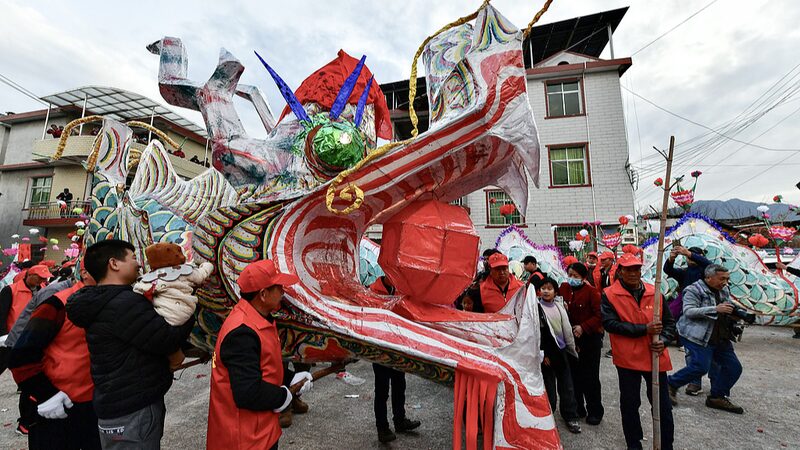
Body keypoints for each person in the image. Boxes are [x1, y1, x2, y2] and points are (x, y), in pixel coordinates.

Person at [66, 239, 194, 448]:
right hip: (134, 408)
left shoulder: (99, 301)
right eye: (133, 258)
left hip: (115, 403)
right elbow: (166, 338)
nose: (139, 264)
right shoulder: (123, 303)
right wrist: (187, 306)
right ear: (114, 264)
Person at [207, 259, 313, 450]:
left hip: (262, 430)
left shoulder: (258, 317)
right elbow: (247, 392)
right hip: (244, 438)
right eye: (278, 287)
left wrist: (290, 377)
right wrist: (283, 396)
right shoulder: (241, 333)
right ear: (263, 294)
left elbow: (262, 365)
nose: (282, 291)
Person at [8, 261, 100, 449]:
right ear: (85, 273)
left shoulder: (111, 300)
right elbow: (21, 355)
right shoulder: (57, 300)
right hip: (59, 405)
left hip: (94, 405)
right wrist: (47, 395)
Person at [601, 253, 675, 450]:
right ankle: (634, 444)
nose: (633, 273)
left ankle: (666, 445)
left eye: (637, 269)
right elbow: (610, 324)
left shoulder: (655, 291)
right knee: (630, 404)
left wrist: (665, 340)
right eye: (628, 269)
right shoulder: (609, 294)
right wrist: (644, 329)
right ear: (620, 271)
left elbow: (669, 323)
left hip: (655, 357)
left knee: (663, 407)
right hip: (628, 359)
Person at [667, 265, 753, 414]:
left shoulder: (724, 289)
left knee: (734, 368)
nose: (725, 282)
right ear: (708, 278)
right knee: (700, 366)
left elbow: (728, 304)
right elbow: (688, 311)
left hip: (720, 336)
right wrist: (715, 309)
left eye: (727, 278)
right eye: (722, 279)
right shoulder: (693, 290)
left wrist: (740, 313)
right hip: (696, 336)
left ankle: (717, 397)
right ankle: (671, 384)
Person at [368, 275, 421, 443]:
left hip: (398, 346)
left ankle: (399, 420)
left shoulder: (402, 290)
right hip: (380, 347)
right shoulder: (372, 291)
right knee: (382, 388)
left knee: (399, 384)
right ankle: (382, 427)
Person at [664, 245, 713, 395]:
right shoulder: (685, 273)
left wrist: (690, 253)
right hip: (689, 316)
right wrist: (671, 259)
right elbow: (669, 271)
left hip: (707, 316)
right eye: (688, 256)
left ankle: (718, 390)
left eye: (694, 255)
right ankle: (694, 382)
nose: (690, 258)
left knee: (714, 356)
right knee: (691, 353)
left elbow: (709, 264)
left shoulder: (707, 272)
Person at [559, 262, 604, 425]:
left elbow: (600, 315)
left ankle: (595, 411)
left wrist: (583, 327)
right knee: (574, 376)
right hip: (570, 338)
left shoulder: (592, 292)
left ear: (584, 278)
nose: (572, 279)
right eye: (570, 275)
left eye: (575, 276)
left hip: (590, 339)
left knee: (590, 376)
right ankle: (578, 407)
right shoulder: (563, 288)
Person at [537, 277, 581, 434]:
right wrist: (543, 354)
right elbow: (537, 334)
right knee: (549, 387)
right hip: (547, 355)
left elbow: (566, 329)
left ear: (556, 292)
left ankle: (570, 416)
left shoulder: (560, 306)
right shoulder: (536, 308)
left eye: (549, 288)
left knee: (567, 386)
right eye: (543, 288)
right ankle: (548, 417)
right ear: (539, 291)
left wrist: (571, 346)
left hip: (562, 351)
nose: (546, 291)